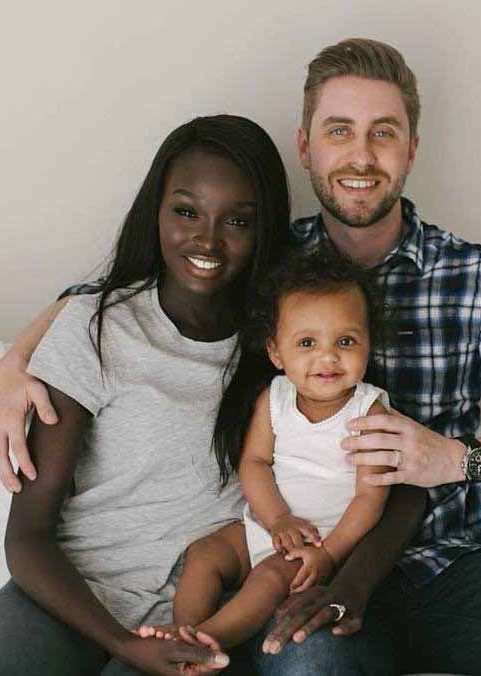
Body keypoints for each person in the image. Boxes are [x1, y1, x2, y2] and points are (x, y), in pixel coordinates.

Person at [0, 39, 481, 675]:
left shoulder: (474, 278)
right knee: (309, 660)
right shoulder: (271, 267)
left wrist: (455, 459)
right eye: (340, 130)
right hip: (305, 571)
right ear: (306, 147)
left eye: (384, 132)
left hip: (443, 565)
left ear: (411, 148)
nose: (362, 156)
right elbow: (126, 292)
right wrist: (13, 365)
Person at [0, 114, 299, 676]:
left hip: (194, 618)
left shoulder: (283, 351)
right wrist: (120, 641)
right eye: (186, 211)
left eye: (238, 220)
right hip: (63, 599)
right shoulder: (97, 326)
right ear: (156, 212)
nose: (207, 240)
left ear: (265, 230)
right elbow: (29, 537)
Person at [135, 248, 398, 654]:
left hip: (322, 541)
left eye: (346, 341)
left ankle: (212, 639)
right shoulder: (275, 398)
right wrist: (276, 520)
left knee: (271, 576)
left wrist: (327, 555)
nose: (327, 357)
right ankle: (182, 630)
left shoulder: (370, 411)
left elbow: (370, 499)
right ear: (276, 353)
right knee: (204, 554)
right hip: (271, 526)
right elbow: (254, 463)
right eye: (307, 342)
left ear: (369, 345)